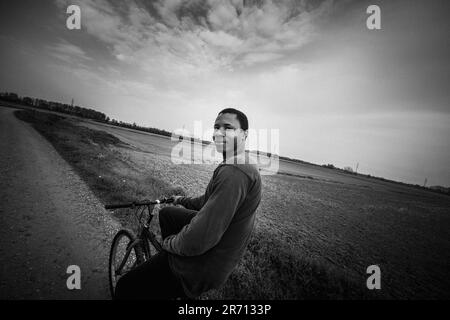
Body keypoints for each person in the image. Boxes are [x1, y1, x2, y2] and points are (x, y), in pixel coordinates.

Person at [114, 108, 262, 300]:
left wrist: (171, 245)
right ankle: (168, 276)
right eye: (216, 127)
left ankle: (173, 267)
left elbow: (202, 236)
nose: (219, 132)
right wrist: (180, 200)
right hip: (221, 255)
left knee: (125, 287)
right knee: (168, 213)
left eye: (228, 127)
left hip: (204, 265)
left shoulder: (235, 171)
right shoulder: (238, 163)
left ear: (245, 134)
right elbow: (207, 202)